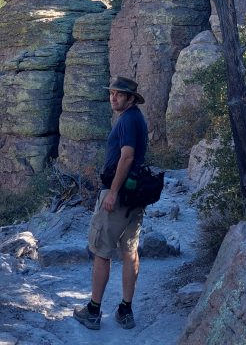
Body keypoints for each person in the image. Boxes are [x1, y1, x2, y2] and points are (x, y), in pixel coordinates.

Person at [73, 75, 148, 331]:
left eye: (118, 94)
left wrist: (113, 192)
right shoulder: (136, 118)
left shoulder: (127, 120)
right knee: (130, 251)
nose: (113, 97)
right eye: (111, 93)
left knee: (101, 252)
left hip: (118, 194)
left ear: (130, 98)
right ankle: (125, 310)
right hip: (135, 194)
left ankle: (93, 311)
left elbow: (126, 157)